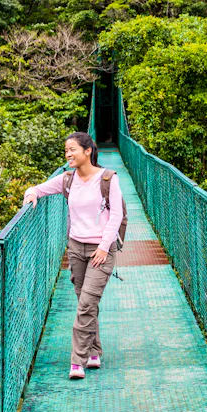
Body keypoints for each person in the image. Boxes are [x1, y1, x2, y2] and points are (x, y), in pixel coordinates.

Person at [23, 132, 123, 380]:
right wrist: (31, 194)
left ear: (88, 151)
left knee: (87, 304)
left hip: (101, 250)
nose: (68, 154)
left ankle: (77, 361)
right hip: (76, 250)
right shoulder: (67, 179)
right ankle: (95, 351)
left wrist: (103, 246)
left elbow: (117, 215)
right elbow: (37, 188)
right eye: (66, 150)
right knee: (85, 305)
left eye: (72, 150)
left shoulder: (108, 179)